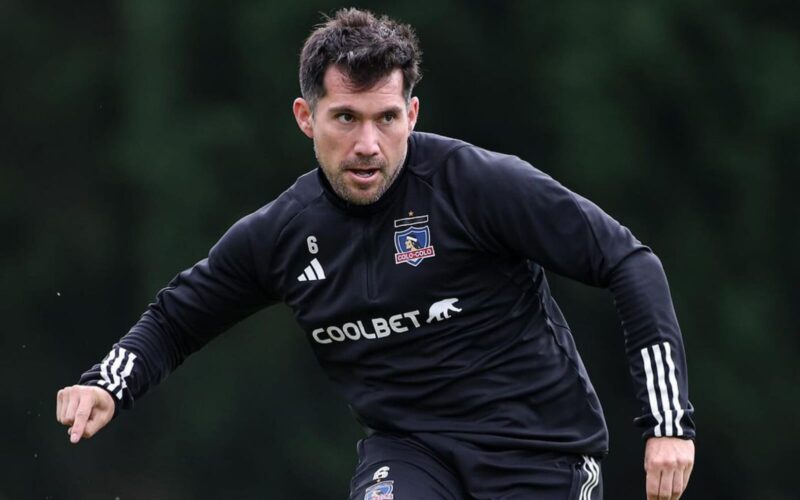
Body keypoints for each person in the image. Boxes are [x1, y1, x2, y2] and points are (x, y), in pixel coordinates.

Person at [56, 8, 695, 499]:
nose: (368, 143)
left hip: (538, 451)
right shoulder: (282, 234)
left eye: (386, 118)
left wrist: (668, 422)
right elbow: (174, 320)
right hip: (410, 452)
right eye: (346, 118)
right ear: (306, 117)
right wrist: (107, 385)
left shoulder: (476, 185)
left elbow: (629, 262)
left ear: (412, 114)